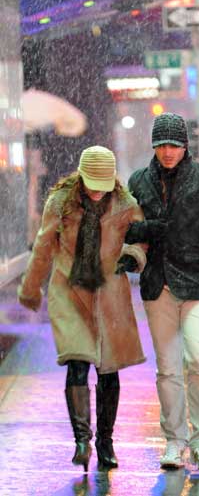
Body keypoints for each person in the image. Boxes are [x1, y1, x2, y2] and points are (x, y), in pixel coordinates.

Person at [17, 145, 147, 472]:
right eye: (91, 183)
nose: (95, 191)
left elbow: (140, 238)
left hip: (110, 292)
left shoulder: (126, 204)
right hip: (69, 289)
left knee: (109, 368)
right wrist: (31, 288)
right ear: (81, 176)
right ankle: (81, 439)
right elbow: (44, 247)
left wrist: (133, 255)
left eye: (102, 185)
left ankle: (105, 441)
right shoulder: (60, 202)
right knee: (77, 362)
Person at [125, 113, 199, 470]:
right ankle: (174, 441)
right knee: (168, 368)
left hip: (198, 281)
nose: (168, 151)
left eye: (173, 144)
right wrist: (142, 235)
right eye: (161, 145)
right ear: (153, 146)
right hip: (158, 285)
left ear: (186, 145)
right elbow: (127, 228)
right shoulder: (138, 181)